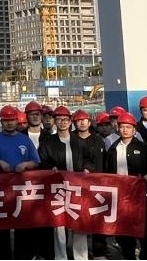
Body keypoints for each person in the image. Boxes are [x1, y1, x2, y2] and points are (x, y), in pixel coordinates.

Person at [0, 105, 41, 259]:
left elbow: (36, 161)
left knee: (23, 225)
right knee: (1, 227)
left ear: (17, 121)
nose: (9, 123)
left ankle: (24, 256)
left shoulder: (25, 140)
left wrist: (26, 164)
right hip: (0, 191)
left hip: (22, 191)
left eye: (12, 120)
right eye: (6, 120)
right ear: (1, 122)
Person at [105, 112, 147, 260]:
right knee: (124, 228)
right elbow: (107, 170)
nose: (125, 130)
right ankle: (128, 255)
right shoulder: (113, 149)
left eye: (128, 127)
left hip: (140, 195)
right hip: (121, 195)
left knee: (144, 228)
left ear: (134, 129)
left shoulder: (144, 148)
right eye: (122, 127)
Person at [39, 106, 90, 260]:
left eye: (66, 119)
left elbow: (89, 159)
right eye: (59, 119)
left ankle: (81, 257)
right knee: (59, 224)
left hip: (77, 188)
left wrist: (87, 169)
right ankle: (61, 257)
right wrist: (51, 168)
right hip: (58, 189)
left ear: (70, 122)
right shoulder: (48, 142)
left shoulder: (79, 142)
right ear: (55, 121)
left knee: (79, 221)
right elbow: (42, 161)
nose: (62, 122)